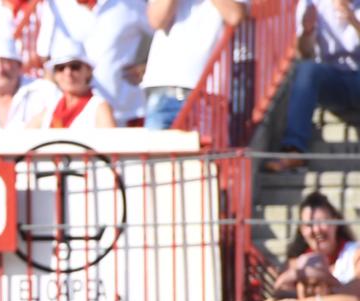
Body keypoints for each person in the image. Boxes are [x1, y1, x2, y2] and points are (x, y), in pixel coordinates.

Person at [267, 0, 360, 174]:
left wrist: (353, 21)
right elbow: (304, 53)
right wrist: (308, 31)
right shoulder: (313, 4)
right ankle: (294, 150)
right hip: (333, 80)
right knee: (307, 69)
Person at [141, 0, 245, 131]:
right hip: (164, 89)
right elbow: (156, 20)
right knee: (157, 150)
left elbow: (235, 15)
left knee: (203, 151)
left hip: (208, 94)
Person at [262, 191, 360, 301]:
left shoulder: (355, 254)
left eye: (323, 222)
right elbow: (280, 292)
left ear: (336, 222)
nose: (316, 230)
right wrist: (295, 274)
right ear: (302, 230)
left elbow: (355, 296)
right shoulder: (297, 262)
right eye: (309, 225)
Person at [28, 40, 116, 130]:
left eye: (75, 66)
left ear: (88, 71)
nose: (68, 73)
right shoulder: (49, 110)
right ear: (55, 75)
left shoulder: (99, 108)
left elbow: (108, 142)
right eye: (61, 68)